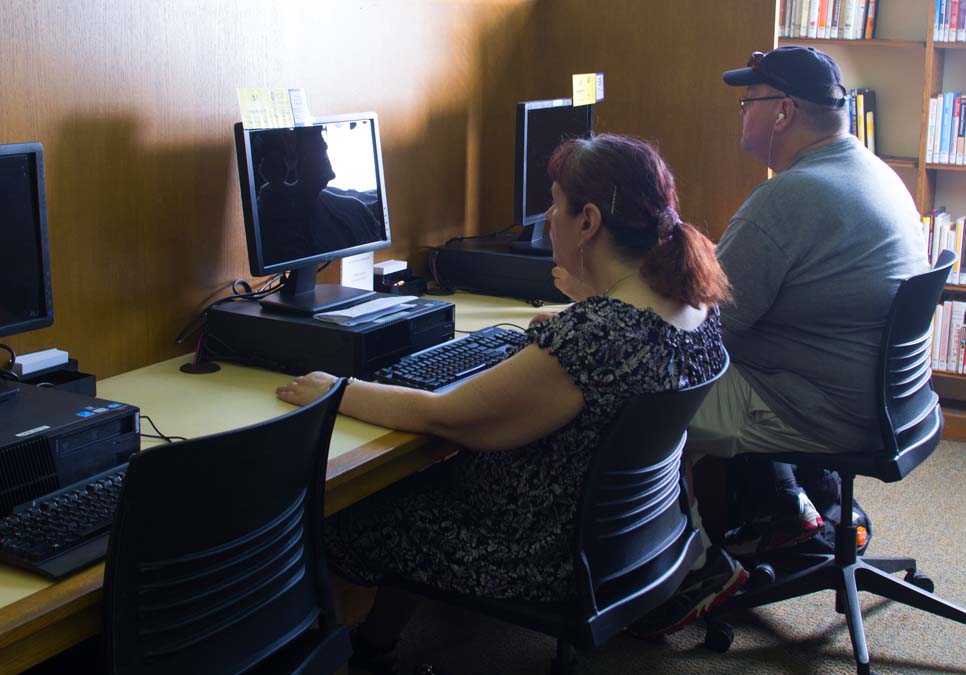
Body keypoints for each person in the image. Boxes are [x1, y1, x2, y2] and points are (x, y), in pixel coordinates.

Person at [275, 133, 732, 671]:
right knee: (419, 484)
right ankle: (376, 647)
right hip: (624, 540)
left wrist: (336, 391)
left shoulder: (593, 337)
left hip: (532, 552)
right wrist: (576, 310)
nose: (545, 214)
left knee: (342, 514)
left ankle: (331, 655)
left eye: (555, 201)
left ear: (587, 222)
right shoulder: (693, 303)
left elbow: (442, 417)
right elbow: (626, 349)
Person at [687, 46, 929, 554]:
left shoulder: (789, 197)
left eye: (747, 101)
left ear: (784, 111)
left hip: (820, 410)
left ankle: (681, 571)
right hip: (882, 400)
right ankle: (791, 506)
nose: (743, 113)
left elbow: (704, 329)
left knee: (639, 394)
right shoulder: (873, 170)